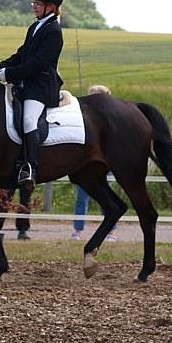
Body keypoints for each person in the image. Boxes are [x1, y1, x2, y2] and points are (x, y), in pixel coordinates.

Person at [0, 0, 64, 192]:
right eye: (34, 3)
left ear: (51, 6)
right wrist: (0, 65)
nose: (34, 6)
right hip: (27, 85)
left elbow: (38, 64)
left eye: (38, 3)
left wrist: (8, 73)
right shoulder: (35, 27)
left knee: (29, 119)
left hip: (41, 87)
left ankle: (30, 167)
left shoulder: (54, 31)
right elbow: (22, 54)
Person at [72, 85, 117, 242]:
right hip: (85, 163)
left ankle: (111, 231)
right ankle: (77, 229)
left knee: (106, 196)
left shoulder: (113, 120)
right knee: (81, 197)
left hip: (105, 163)